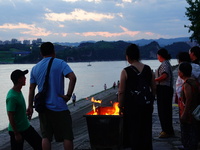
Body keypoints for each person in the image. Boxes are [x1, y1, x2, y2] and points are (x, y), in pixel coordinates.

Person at [27, 42, 77, 150]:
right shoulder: (60, 63)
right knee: (67, 136)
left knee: (46, 137)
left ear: (41, 53)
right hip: (59, 106)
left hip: (43, 108)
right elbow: (72, 78)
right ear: (54, 51)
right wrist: (68, 95)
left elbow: (31, 89)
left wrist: (30, 106)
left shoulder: (35, 68)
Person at [118, 44, 156, 150]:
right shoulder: (148, 69)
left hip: (132, 107)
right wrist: (151, 102)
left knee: (134, 132)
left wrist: (121, 106)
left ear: (128, 56)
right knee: (146, 131)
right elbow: (153, 88)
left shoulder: (125, 71)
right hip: (146, 105)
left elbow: (121, 91)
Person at [6, 69, 42, 150]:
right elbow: (10, 116)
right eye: (23, 77)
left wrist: (25, 112)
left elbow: (17, 111)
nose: (25, 78)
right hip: (16, 130)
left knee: (40, 146)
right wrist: (16, 134)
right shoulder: (12, 96)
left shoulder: (18, 91)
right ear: (19, 80)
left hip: (26, 127)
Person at [178, 62, 200, 150]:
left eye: (179, 71)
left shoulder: (187, 84)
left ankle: (188, 146)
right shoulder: (194, 81)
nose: (178, 73)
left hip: (189, 113)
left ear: (182, 73)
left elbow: (188, 100)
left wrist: (184, 114)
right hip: (194, 111)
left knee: (188, 131)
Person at [155, 48, 174, 138]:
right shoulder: (166, 63)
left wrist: (154, 80)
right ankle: (167, 129)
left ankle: (166, 130)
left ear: (160, 55)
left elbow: (165, 75)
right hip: (165, 89)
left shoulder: (164, 64)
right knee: (165, 110)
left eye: (157, 55)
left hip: (164, 89)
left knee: (163, 110)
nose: (157, 57)